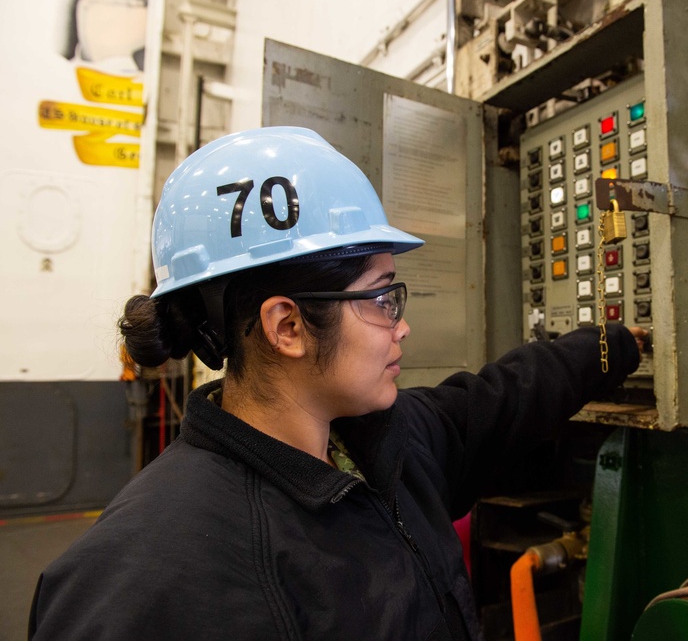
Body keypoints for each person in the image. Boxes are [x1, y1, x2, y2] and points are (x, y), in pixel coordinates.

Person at [29, 127, 643, 640]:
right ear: (287, 325)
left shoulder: (377, 445)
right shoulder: (142, 584)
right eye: (380, 298)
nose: (402, 326)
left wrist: (610, 347)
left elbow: (495, 402)